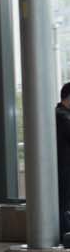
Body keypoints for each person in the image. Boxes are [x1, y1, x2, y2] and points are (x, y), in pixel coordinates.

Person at [55, 83, 70, 239]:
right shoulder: (62, 116)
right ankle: (64, 236)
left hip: (62, 167)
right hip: (64, 168)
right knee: (64, 204)